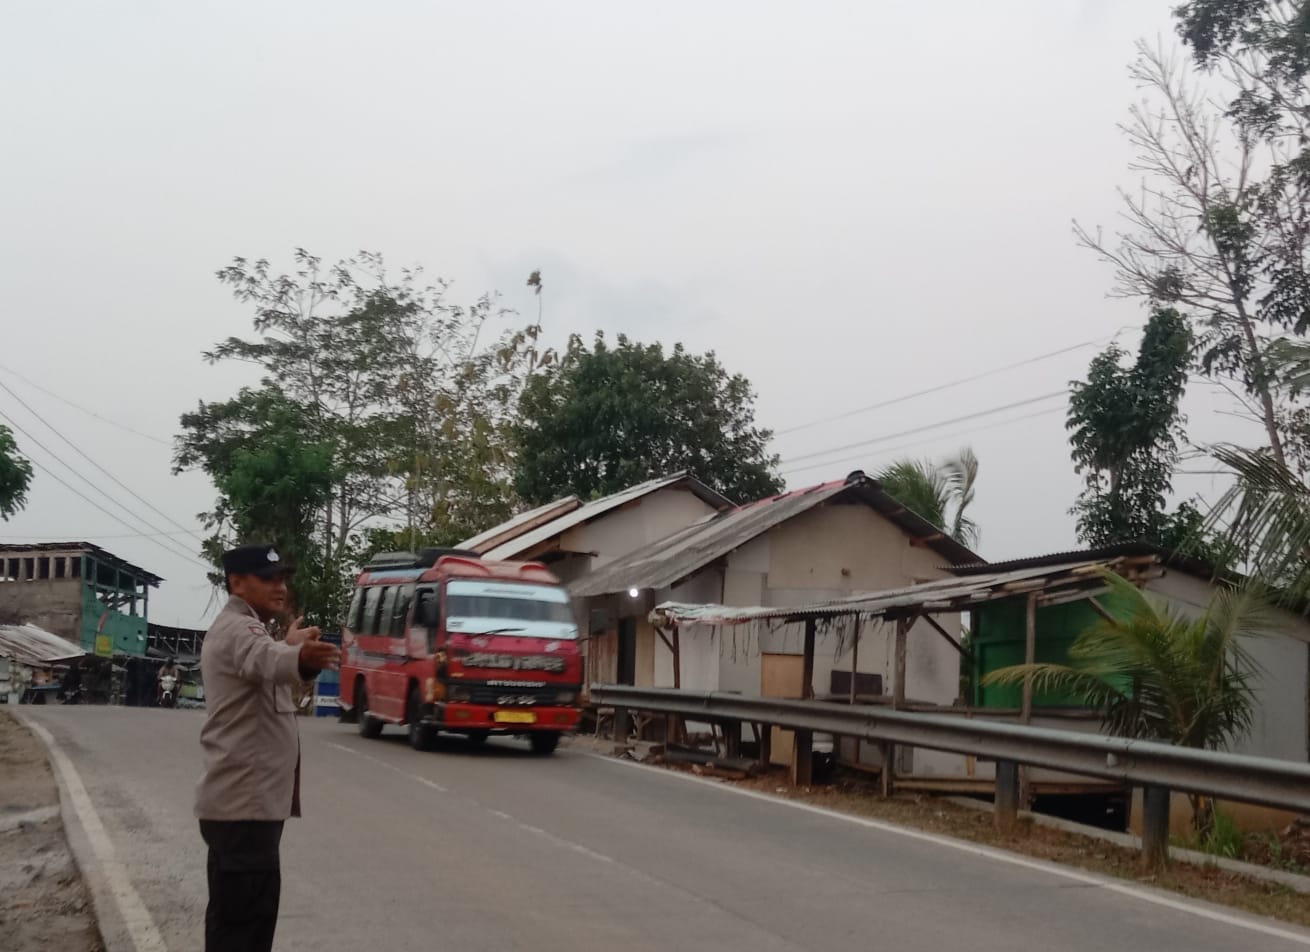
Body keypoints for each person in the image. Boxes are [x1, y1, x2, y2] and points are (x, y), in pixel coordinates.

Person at [194, 544, 340, 952]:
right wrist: (302, 658)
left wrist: (290, 647)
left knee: (236, 921)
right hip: (245, 807)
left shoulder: (246, 628)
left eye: (282, 579)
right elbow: (268, 659)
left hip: (245, 806)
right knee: (244, 929)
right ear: (237, 583)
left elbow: (266, 658)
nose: (280, 587)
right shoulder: (239, 629)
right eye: (268, 578)